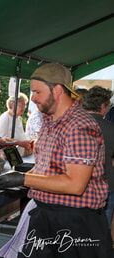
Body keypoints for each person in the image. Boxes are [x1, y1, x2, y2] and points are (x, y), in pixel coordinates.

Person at [0, 63, 112, 257]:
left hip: (75, 222)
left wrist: (23, 179)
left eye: (37, 92)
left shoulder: (79, 125)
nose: (32, 98)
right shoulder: (49, 122)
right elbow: (47, 169)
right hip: (47, 216)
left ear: (57, 89)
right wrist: (23, 175)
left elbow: (75, 184)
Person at [82, 85, 114, 243]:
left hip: (76, 185)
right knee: (102, 229)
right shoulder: (111, 128)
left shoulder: (73, 125)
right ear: (103, 106)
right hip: (106, 185)